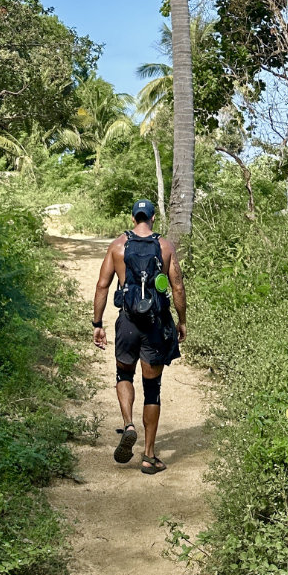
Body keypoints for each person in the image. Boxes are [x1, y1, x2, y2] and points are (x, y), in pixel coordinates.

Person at [92, 199, 187, 475]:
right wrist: (182, 321)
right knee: (153, 389)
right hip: (155, 324)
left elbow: (102, 285)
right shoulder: (166, 246)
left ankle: (128, 424)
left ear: (133, 218)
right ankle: (148, 456)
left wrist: (98, 323)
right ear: (153, 218)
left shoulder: (118, 246)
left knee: (124, 375)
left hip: (127, 323)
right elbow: (177, 287)